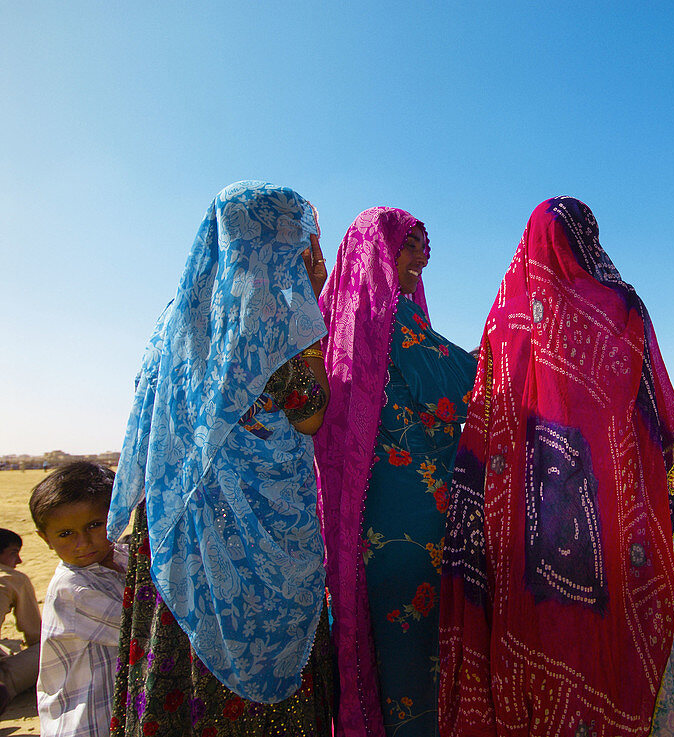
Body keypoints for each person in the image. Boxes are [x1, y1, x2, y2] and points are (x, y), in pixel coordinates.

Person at [439, 196, 674, 737]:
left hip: (523, 550)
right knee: (622, 663)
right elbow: (655, 428)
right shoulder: (622, 308)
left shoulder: (504, 322)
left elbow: (485, 432)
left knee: (541, 654)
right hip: (612, 538)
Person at [107, 181, 334, 735]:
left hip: (175, 529)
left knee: (184, 669)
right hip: (252, 544)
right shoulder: (276, 314)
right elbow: (308, 412)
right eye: (303, 238)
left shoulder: (175, 318)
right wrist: (310, 319)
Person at [312, 207, 476, 737]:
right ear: (378, 251)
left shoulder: (333, 324)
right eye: (408, 246)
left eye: (422, 249)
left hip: (365, 525)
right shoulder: (393, 320)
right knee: (415, 661)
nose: (420, 259)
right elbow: (457, 389)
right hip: (412, 533)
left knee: (381, 649)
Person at [30, 462, 127, 737]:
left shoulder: (123, 557)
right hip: (85, 723)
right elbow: (142, 629)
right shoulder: (73, 589)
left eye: (95, 525)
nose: (82, 542)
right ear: (45, 539)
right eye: (65, 534)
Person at [0, 528, 40, 715]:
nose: (19, 561)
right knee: (47, 651)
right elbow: (34, 634)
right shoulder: (13, 579)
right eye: (14, 553)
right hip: (3, 682)